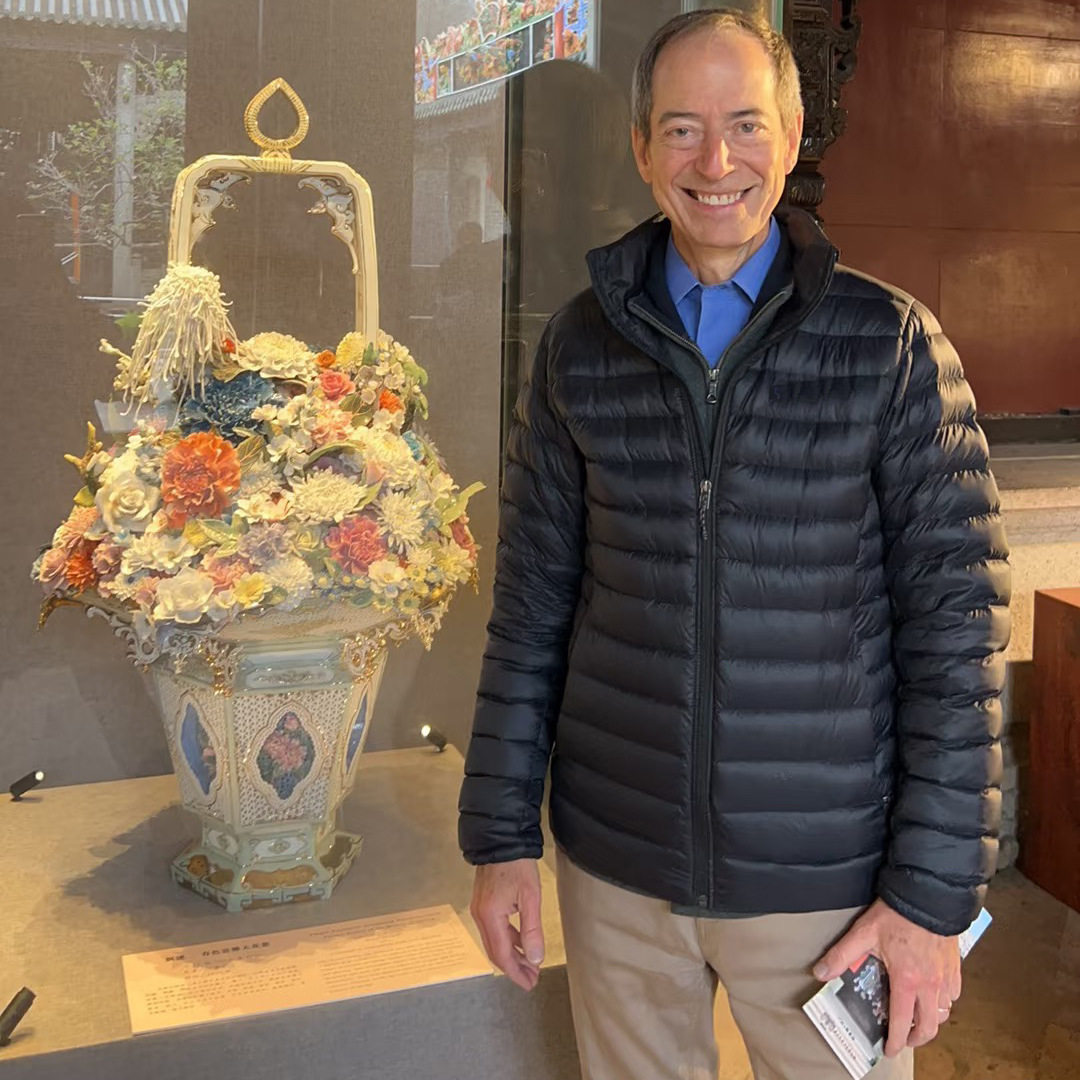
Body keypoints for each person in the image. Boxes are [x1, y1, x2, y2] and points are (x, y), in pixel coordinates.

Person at [458, 9, 1010, 1080]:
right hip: (618, 873)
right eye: (681, 129)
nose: (716, 162)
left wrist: (929, 900)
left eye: (746, 124)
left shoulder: (890, 346)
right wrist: (501, 839)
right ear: (641, 148)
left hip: (827, 892)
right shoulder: (579, 346)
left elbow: (957, 639)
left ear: (792, 135)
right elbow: (529, 612)